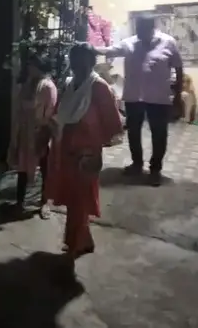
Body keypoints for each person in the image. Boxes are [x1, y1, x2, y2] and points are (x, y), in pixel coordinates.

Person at [47, 43, 123, 259]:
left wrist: (95, 149)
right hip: (66, 149)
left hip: (86, 153)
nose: (76, 64)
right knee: (73, 197)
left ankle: (75, 243)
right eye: (73, 59)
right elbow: (59, 112)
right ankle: (83, 240)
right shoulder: (70, 84)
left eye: (81, 60)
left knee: (80, 199)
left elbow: (112, 122)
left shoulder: (99, 87)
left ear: (91, 62)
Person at [95, 16, 183, 186]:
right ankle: (137, 164)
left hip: (158, 98)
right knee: (133, 132)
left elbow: (178, 68)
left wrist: (177, 95)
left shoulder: (168, 42)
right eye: (138, 28)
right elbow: (110, 50)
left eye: (143, 29)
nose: (139, 32)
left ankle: (155, 170)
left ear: (152, 26)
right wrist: (91, 49)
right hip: (134, 97)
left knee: (159, 134)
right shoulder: (129, 43)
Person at [7, 53, 57, 218]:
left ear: (40, 66)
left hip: (41, 132)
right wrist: (15, 135)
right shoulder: (27, 84)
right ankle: (20, 202)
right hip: (25, 132)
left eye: (32, 65)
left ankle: (45, 202)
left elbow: (50, 113)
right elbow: (19, 110)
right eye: (29, 65)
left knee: (45, 168)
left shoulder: (47, 86)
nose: (29, 68)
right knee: (22, 168)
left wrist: (43, 135)